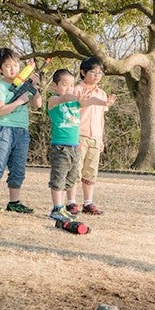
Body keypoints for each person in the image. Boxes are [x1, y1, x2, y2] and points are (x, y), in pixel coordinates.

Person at [47, 69, 113, 222]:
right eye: (65, 85)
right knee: (59, 178)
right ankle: (57, 208)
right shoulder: (53, 100)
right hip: (60, 147)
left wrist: (104, 102)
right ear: (54, 86)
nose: (69, 88)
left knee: (70, 178)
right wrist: (73, 94)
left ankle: (62, 208)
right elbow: (64, 97)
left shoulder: (75, 103)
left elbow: (89, 101)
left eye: (71, 85)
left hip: (75, 146)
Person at [0, 47, 42, 214]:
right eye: (8, 66)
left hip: (21, 131)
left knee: (18, 168)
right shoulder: (0, 87)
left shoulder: (24, 84)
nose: (13, 69)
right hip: (3, 130)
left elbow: (38, 104)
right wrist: (19, 102)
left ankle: (14, 202)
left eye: (16, 65)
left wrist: (34, 85)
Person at [66, 57, 116, 216]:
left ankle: (88, 202)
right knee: (75, 170)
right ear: (83, 72)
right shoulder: (76, 90)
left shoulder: (102, 93)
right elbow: (69, 114)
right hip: (78, 135)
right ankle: (71, 202)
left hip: (95, 137)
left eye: (100, 73)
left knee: (90, 171)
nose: (97, 75)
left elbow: (101, 118)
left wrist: (101, 138)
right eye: (93, 72)